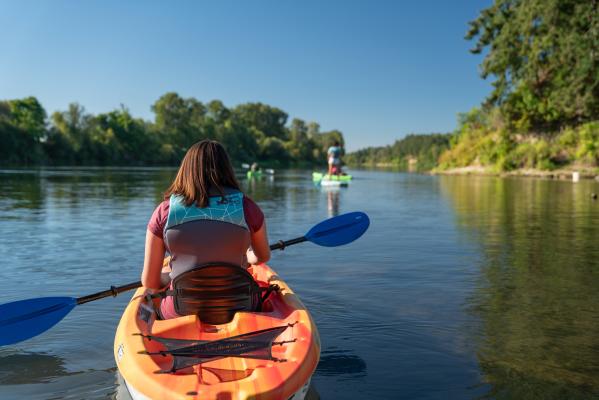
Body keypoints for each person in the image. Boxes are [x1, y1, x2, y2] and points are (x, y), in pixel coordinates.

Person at [142, 140, 271, 320]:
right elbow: (263, 257)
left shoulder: (164, 212)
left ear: (186, 170)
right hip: (241, 307)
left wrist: (169, 277)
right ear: (227, 169)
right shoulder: (248, 208)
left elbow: (149, 281)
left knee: (155, 301)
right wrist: (249, 256)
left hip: (180, 311)